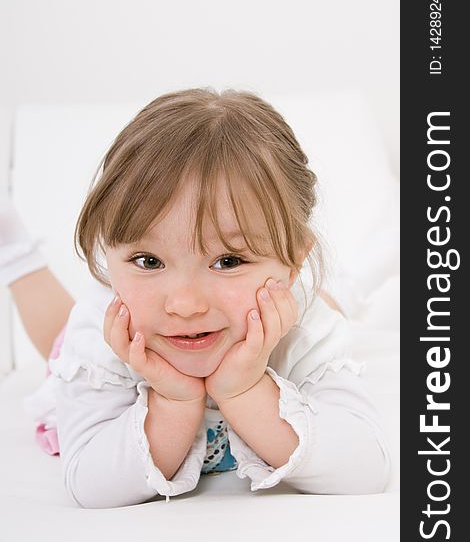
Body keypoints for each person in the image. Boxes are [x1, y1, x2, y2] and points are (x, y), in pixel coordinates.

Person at [0, 88, 391, 508]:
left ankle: (341, 288)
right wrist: (174, 400)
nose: (184, 305)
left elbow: (367, 467)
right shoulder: (101, 331)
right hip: (119, 338)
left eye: (228, 261)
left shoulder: (303, 326)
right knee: (56, 336)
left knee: (305, 314)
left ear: (293, 260)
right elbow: (91, 486)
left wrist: (245, 390)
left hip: (282, 307)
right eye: (148, 261)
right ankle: (16, 253)